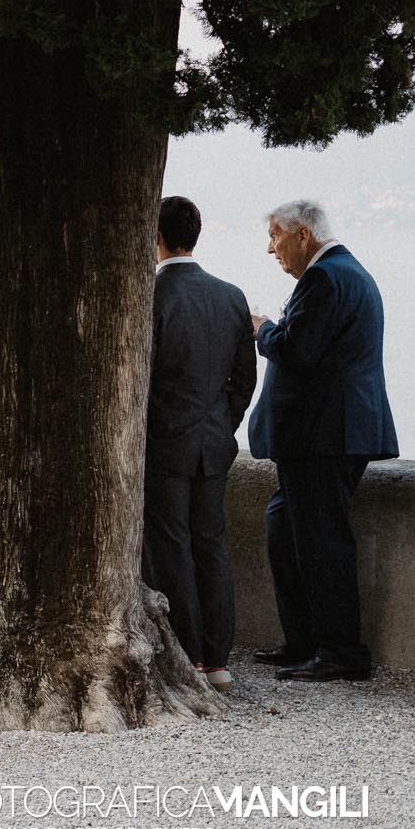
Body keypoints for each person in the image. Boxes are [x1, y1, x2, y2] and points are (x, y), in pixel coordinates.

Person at [248, 200, 398, 682]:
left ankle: (340, 651)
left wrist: (262, 328)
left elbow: (298, 350)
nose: (271, 248)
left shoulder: (325, 278)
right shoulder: (345, 273)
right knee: (285, 528)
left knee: (322, 540)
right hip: (328, 434)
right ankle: (306, 641)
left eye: (275, 236)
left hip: (324, 437)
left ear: (302, 236)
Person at [143, 197, 256, 691]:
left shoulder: (150, 296)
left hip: (166, 441)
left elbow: (140, 381)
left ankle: (188, 656)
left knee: (171, 547)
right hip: (214, 441)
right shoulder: (231, 296)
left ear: (156, 236)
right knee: (211, 544)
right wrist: (222, 423)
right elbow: (244, 380)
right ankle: (219, 658)